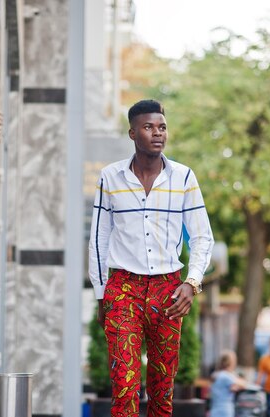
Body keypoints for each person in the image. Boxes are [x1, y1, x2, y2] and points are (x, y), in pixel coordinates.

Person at [88, 99, 214, 417]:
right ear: (133, 133)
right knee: (125, 389)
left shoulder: (184, 178)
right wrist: (102, 294)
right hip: (123, 289)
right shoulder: (110, 177)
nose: (157, 133)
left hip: (168, 290)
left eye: (162, 127)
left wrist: (192, 283)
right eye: (148, 127)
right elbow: (99, 240)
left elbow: (202, 237)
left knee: (162, 394)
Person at [210, 350, 248, 417]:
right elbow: (243, 384)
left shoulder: (216, 374)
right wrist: (235, 375)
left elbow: (229, 388)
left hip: (215, 409)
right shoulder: (226, 376)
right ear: (231, 362)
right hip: (224, 410)